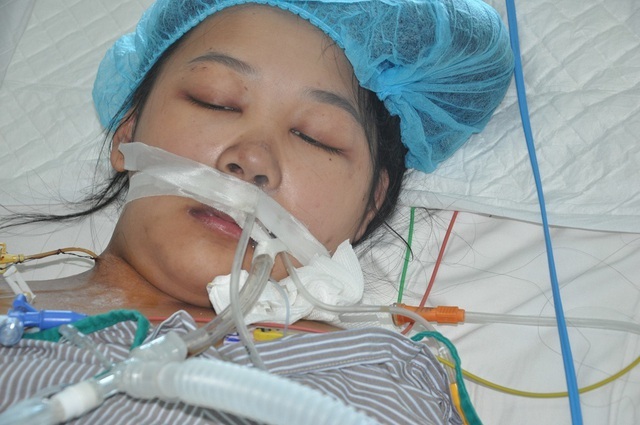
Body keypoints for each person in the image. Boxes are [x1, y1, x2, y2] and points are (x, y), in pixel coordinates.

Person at [1, 1, 512, 422]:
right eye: (216, 101)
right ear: (127, 134)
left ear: (370, 206)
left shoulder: (381, 377)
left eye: (314, 136)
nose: (251, 160)